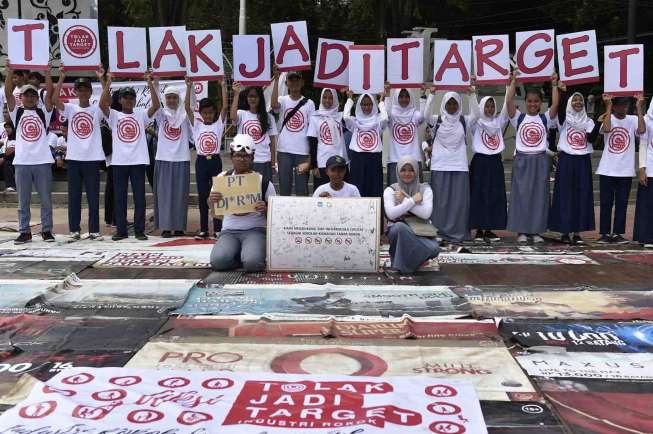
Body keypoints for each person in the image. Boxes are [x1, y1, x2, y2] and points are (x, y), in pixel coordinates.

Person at [98, 69, 160, 241]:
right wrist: (108, 82)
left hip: (138, 161)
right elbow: (102, 105)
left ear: (134, 100)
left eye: (131, 97)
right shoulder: (114, 115)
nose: (128, 100)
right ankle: (121, 230)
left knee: (140, 197)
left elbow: (155, 106)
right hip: (119, 162)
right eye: (125, 97)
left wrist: (149, 82)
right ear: (120, 100)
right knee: (120, 197)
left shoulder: (141, 114)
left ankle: (139, 230)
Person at [505, 72, 560, 244]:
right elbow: (508, 101)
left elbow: (556, 103)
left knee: (539, 197)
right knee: (521, 196)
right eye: (529, 101)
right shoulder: (519, 118)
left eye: (536, 101)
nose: (533, 104)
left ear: (541, 103)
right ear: (525, 102)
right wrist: (513, 81)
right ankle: (522, 230)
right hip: (522, 160)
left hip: (540, 161)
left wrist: (554, 84)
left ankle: (536, 230)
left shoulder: (545, 119)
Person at [209, 134, 276, 272]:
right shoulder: (222, 179)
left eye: (246, 156)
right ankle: (239, 257)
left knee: (253, 263)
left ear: (252, 158)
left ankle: (247, 256)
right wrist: (211, 201)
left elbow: (276, 216)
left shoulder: (263, 182)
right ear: (231, 157)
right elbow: (215, 213)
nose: (241, 159)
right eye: (238, 155)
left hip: (255, 231)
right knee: (217, 261)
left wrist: (266, 209)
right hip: (229, 231)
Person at [4, 63, 55, 244]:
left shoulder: (44, 113)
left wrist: (48, 74)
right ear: (22, 97)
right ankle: (24, 231)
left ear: (36, 97)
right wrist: (9, 72)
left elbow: (50, 94)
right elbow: (8, 93)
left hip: (42, 162)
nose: (31, 97)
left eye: (34, 94)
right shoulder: (17, 113)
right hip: (22, 162)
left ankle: (47, 230)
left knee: (46, 200)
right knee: (22, 201)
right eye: (27, 95)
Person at [53, 69, 106, 240]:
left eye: (86, 89)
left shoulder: (97, 109)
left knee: (93, 197)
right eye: (79, 89)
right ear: (75, 92)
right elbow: (54, 100)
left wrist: (102, 79)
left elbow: (108, 101)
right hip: (74, 159)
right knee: (74, 197)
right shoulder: (70, 108)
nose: (82, 92)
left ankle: (94, 230)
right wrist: (61, 78)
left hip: (91, 159)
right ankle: (74, 229)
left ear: (91, 91)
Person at [548, 86, 602, 244]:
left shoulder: (588, 121)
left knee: (581, 196)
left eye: (580, 100)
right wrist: (561, 90)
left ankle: (577, 232)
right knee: (564, 195)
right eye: (575, 100)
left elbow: (591, 139)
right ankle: (564, 231)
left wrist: (598, 123)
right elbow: (560, 104)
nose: (578, 102)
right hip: (566, 161)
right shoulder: (564, 120)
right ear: (570, 103)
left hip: (582, 162)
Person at [424, 88, 476, 243]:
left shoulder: (463, 120)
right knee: (440, 202)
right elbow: (426, 114)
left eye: (454, 103)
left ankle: (458, 233)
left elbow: (477, 114)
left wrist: (471, 94)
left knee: (459, 203)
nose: (452, 106)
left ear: (459, 105)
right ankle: (439, 232)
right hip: (440, 166)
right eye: (449, 103)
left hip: (459, 166)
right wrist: (431, 94)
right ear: (444, 105)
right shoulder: (437, 119)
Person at [596, 94, 646, 243]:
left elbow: (642, 130)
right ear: (615, 105)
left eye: (626, 105)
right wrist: (608, 106)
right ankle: (604, 233)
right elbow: (606, 129)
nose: (624, 108)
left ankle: (618, 233)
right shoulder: (608, 117)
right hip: (607, 169)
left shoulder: (632, 119)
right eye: (620, 105)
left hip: (625, 170)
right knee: (606, 202)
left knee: (622, 203)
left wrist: (638, 107)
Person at [468, 80, 510, 242]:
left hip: (495, 163)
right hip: (480, 163)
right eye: (487, 106)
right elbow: (474, 111)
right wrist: (472, 93)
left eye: (492, 106)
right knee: (479, 195)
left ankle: (489, 228)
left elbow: (506, 109)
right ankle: (478, 229)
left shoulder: (498, 123)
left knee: (494, 195)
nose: (490, 109)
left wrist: (508, 86)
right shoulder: (476, 123)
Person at [187, 77, 228, 240]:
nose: (208, 115)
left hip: (216, 162)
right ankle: (203, 229)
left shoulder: (219, 124)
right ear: (201, 113)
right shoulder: (197, 125)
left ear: (214, 113)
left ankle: (218, 228)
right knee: (203, 195)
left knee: (216, 195)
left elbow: (225, 107)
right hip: (201, 162)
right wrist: (189, 86)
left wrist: (223, 86)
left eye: (210, 112)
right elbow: (187, 108)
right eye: (205, 113)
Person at [383, 156, 440, 273]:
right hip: (398, 229)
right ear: (398, 171)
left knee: (434, 249)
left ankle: (412, 262)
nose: (407, 173)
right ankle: (402, 265)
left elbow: (426, 214)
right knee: (399, 228)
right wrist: (412, 201)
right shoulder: (391, 190)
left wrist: (404, 200)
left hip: (420, 229)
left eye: (411, 170)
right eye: (403, 170)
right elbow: (391, 214)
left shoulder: (425, 189)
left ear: (417, 171)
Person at [153, 84, 193, 238]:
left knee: (180, 195)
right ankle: (165, 227)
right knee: (164, 195)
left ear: (179, 99)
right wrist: (152, 83)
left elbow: (189, 105)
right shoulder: (161, 114)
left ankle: (178, 227)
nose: (171, 100)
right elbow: (155, 101)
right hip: (163, 159)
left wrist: (189, 87)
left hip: (181, 159)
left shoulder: (184, 116)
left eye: (174, 97)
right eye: (168, 97)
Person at [271, 70, 315, 196]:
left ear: (302, 82)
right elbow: (274, 105)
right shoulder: (282, 100)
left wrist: (311, 155)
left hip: (302, 151)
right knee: (284, 187)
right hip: (284, 150)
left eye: (297, 80)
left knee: (302, 189)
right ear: (286, 83)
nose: (294, 83)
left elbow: (312, 129)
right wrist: (275, 80)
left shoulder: (309, 103)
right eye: (291, 80)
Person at [343, 90, 388, 198]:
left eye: (369, 104)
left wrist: (381, 101)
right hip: (358, 159)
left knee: (375, 189)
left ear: (373, 105)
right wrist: (349, 99)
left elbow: (385, 118)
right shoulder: (355, 122)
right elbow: (345, 117)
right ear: (359, 105)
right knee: (357, 189)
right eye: (363, 104)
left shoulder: (378, 122)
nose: (366, 107)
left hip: (374, 158)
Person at [231, 84, 278, 181]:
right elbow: (232, 117)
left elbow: (273, 143)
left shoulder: (268, 117)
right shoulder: (241, 114)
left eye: (255, 96)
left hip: (264, 161)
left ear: (260, 98)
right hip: (245, 160)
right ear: (247, 98)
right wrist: (236, 94)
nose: (253, 99)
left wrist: (273, 163)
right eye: (250, 96)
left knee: (263, 192)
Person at [307, 88, 348, 191]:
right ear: (321, 99)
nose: (327, 100)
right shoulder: (315, 117)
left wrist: (348, 96)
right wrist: (314, 166)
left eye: (330, 98)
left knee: (341, 194)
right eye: (325, 97)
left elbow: (349, 114)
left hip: (340, 161)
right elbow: (312, 143)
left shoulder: (340, 116)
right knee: (323, 194)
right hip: (322, 163)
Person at [386, 87, 427, 185]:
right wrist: (387, 95)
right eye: (400, 96)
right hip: (395, 160)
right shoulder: (391, 115)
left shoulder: (415, 114)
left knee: (415, 193)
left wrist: (422, 96)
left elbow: (423, 116)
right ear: (396, 97)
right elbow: (386, 114)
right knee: (395, 194)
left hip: (414, 159)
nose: (404, 99)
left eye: (406, 96)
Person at [635, 97, 653, 248]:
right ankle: (646, 237)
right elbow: (643, 144)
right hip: (650, 169)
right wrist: (642, 168)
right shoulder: (647, 120)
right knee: (647, 205)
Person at [0, 120, 16, 192]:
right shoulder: (6, 139)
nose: (7, 129)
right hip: (5, 159)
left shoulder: (18, 138)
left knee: (7, 162)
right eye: (6, 127)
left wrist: (3, 158)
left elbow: (12, 152)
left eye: (9, 127)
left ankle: (11, 186)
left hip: (15, 161)